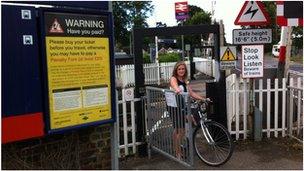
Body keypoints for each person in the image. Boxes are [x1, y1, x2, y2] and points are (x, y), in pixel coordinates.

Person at [169, 61, 204, 159]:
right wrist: (177, 90)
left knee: (179, 130)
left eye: (183, 69)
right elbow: (175, 86)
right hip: (174, 106)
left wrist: (203, 98)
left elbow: (191, 93)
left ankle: (176, 149)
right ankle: (178, 153)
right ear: (176, 70)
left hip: (182, 106)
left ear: (185, 70)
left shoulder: (185, 80)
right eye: (179, 69)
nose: (181, 70)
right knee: (181, 130)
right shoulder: (173, 78)